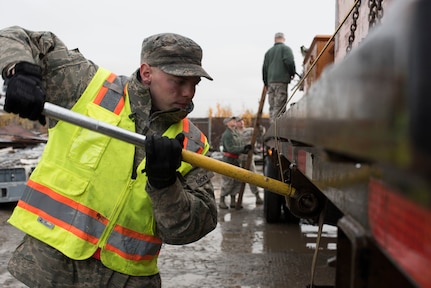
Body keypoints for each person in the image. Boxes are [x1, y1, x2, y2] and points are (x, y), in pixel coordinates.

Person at [0, 26, 217, 288]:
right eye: (179, 81)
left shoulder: (193, 146)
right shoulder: (87, 86)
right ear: (147, 73)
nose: (189, 93)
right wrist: (19, 70)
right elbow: (17, 36)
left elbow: (189, 230)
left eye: (194, 83)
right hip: (52, 269)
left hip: (127, 280)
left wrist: (165, 185)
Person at [262, 32, 296, 122]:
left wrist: (266, 83)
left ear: (275, 39)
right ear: (283, 39)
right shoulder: (286, 49)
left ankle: (272, 128)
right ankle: (276, 129)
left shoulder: (268, 52)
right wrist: (292, 73)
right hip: (281, 81)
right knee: (279, 106)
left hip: (270, 82)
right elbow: (289, 62)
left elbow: (264, 69)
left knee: (272, 106)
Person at [219, 116, 250, 209]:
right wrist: (243, 149)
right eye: (232, 120)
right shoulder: (227, 135)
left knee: (237, 181)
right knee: (228, 181)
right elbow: (230, 148)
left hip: (236, 160)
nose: (234, 121)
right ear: (227, 123)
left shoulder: (235, 132)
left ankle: (233, 201)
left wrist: (245, 149)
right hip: (229, 160)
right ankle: (222, 200)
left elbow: (239, 144)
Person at [235, 117, 263, 205]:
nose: (241, 122)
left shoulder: (249, 131)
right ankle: (236, 199)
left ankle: (257, 196)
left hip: (248, 157)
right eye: (239, 121)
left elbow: (259, 133)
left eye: (242, 121)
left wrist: (260, 127)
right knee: (237, 179)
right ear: (236, 123)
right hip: (238, 158)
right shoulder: (234, 133)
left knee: (252, 176)